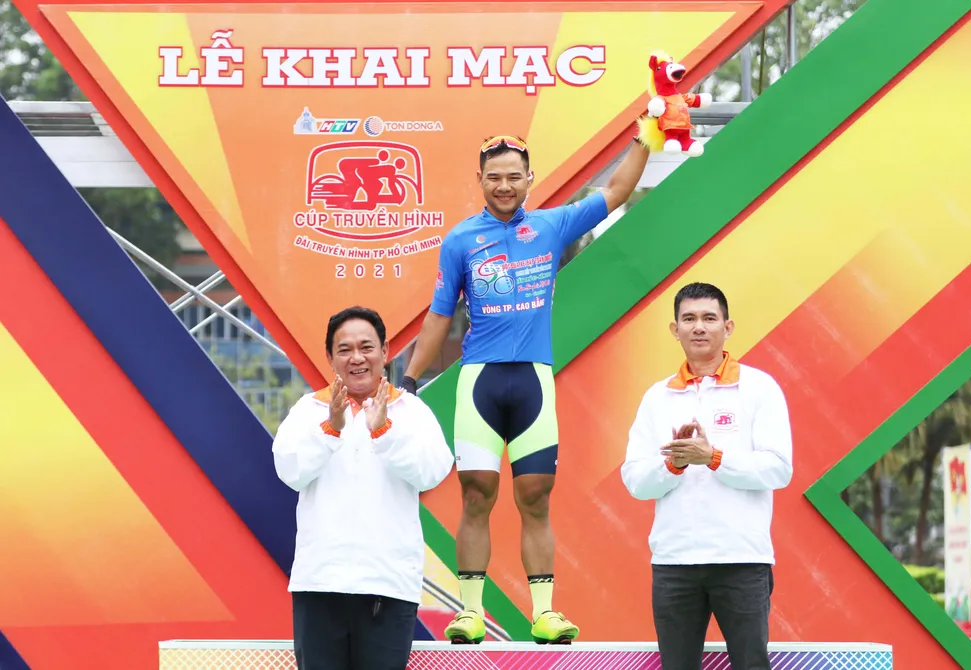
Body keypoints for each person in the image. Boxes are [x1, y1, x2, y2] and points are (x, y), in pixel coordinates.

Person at [399, 133, 651, 644]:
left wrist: (648, 135)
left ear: (529, 179)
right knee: (476, 494)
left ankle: (544, 613)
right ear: (479, 181)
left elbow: (618, 189)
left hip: (534, 380)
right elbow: (439, 316)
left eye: (514, 176)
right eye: (494, 177)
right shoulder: (461, 240)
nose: (504, 186)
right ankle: (470, 612)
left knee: (535, 497)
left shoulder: (551, 225)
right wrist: (406, 380)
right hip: (480, 382)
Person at [620, 282, 793, 670]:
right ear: (675, 329)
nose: (699, 327)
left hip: (741, 559)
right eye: (689, 319)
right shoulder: (657, 397)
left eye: (709, 318)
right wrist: (674, 465)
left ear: (727, 327)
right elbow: (635, 479)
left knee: (751, 664)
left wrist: (713, 457)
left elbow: (778, 468)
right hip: (674, 562)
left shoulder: (758, 388)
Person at [272, 306, 455, 670]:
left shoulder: (411, 412)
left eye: (366, 347)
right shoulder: (308, 410)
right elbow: (290, 472)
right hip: (319, 585)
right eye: (345, 349)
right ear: (330, 357)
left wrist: (384, 431)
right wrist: (331, 428)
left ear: (384, 352)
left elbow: (432, 473)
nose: (357, 358)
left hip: (388, 587)